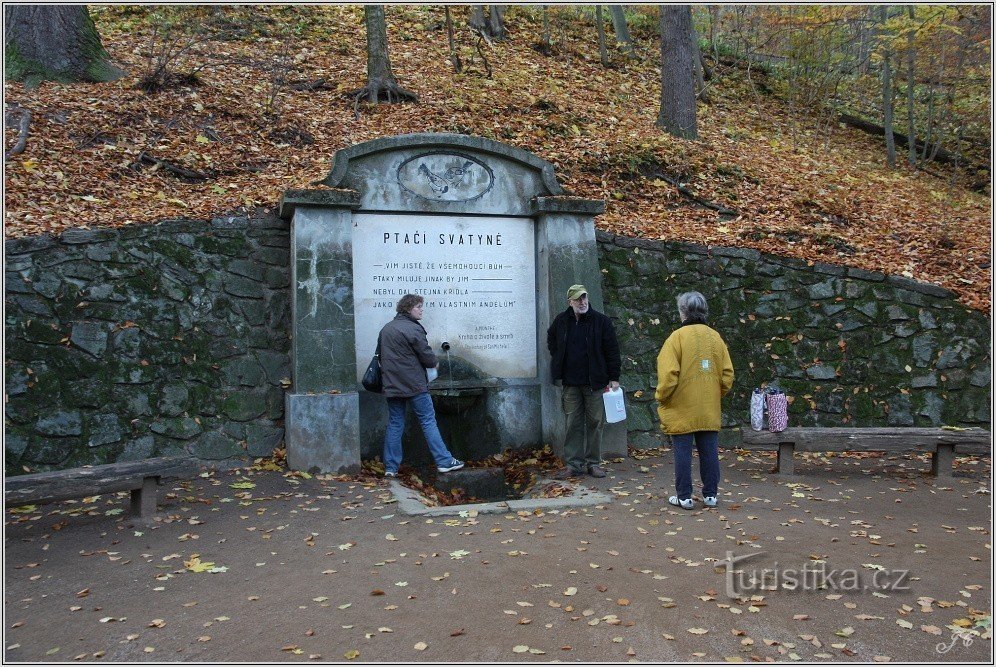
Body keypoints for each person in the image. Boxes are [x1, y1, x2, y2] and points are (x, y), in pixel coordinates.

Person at [655, 291, 734, 509]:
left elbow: (668, 376)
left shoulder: (675, 339)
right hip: (709, 406)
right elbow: (727, 375)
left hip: (682, 407)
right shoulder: (715, 338)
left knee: (682, 452)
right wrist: (716, 394)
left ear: (683, 312)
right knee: (709, 452)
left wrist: (661, 397)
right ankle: (710, 495)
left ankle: (685, 497)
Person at [378, 294, 463, 477]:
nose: (421, 309)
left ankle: (390, 468)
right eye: (418, 306)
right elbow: (426, 356)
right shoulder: (413, 329)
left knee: (395, 424)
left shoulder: (387, 329)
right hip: (414, 385)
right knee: (428, 421)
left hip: (392, 385)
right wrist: (434, 363)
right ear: (408, 308)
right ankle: (444, 461)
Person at [547, 284, 621, 478]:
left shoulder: (601, 321)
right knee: (572, 424)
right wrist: (558, 357)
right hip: (570, 383)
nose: (582, 302)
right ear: (570, 301)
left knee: (595, 422)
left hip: (595, 383)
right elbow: (551, 338)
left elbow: (612, 350)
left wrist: (614, 377)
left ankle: (593, 463)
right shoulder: (562, 321)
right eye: (578, 299)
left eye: (584, 297)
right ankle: (573, 465)